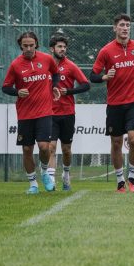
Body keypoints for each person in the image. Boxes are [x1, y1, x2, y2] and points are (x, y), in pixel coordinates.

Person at [90, 14, 134, 193]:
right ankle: (119, 181)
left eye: (127, 25)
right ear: (114, 28)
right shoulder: (106, 51)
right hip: (115, 103)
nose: (125, 28)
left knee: (133, 139)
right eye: (122, 25)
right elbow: (93, 76)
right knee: (116, 142)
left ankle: (132, 177)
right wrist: (104, 77)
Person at [2, 31, 60, 194]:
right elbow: (6, 87)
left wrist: (54, 86)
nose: (28, 48)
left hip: (44, 111)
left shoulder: (46, 59)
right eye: (25, 45)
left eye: (31, 45)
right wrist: (17, 92)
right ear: (21, 46)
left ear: (36, 44)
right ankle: (33, 184)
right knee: (27, 149)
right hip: (25, 114)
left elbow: (56, 74)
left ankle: (44, 172)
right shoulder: (15, 65)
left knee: (43, 147)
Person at [48, 35, 90, 191]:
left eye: (64, 47)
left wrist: (69, 91)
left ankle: (66, 175)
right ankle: (51, 181)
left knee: (66, 149)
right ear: (52, 49)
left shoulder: (71, 66)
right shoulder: (45, 65)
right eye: (59, 47)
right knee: (51, 147)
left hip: (67, 113)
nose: (63, 49)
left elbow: (86, 85)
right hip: (50, 113)